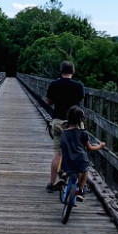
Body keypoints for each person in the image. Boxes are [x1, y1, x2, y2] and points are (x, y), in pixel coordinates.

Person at [44, 60, 85, 192]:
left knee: (58, 153)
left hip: (59, 122)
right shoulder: (79, 86)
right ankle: (80, 186)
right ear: (73, 71)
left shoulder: (54, 84)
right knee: (77, 153)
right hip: (75, 124)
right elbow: (79, 101)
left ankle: (51, 184)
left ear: (60, 71)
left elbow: (48, 102)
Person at [58, 105, 106, 198]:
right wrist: (100, 146)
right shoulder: (83, 133)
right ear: (81, 120)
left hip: (67, 160)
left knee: (63, 161)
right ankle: (80, 190)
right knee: (85, 169)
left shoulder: (63, 133)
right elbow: (90, 148)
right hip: (80, 160)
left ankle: (63, 175)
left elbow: (62, 146)